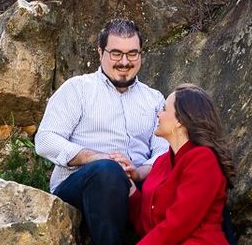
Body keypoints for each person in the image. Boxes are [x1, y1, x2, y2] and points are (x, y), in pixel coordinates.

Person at [35, 18, 168, 245]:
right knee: (107, 171)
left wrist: (138, 172)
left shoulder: (153, 98)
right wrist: (97, 157)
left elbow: (165, 150)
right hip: (80, 185)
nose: (124, 62)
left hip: (139, 185)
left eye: (132, 54)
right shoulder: (78, 89)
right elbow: (45, 140)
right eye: (116, 53)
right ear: (100, 52)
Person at [128, 83, 235, 245]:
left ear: (180, 120)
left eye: (164, 109)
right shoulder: (160, 163)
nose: (158, 114)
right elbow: (148, 225)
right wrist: (130, 188)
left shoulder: (203, 159)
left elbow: (179, 223)